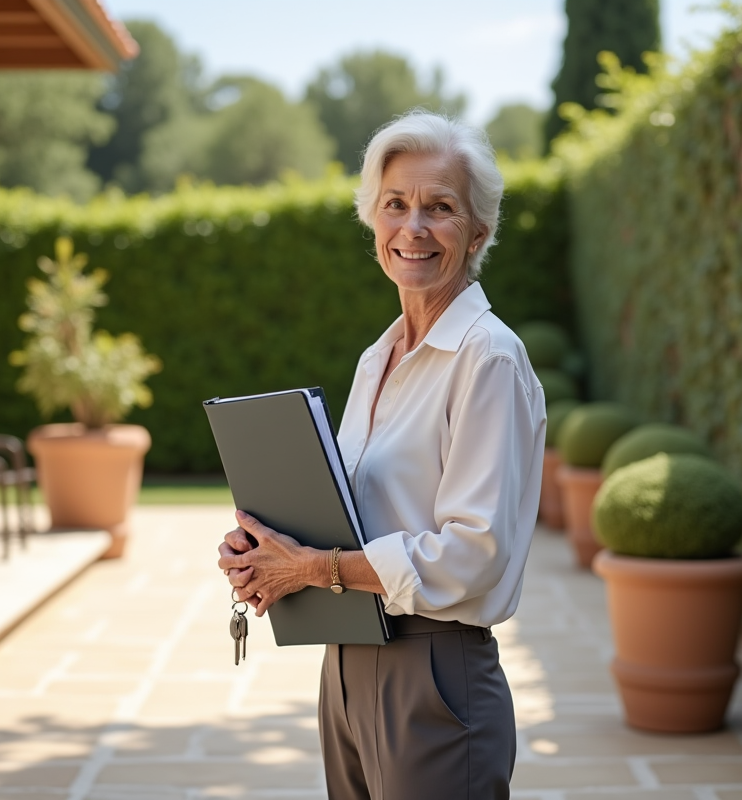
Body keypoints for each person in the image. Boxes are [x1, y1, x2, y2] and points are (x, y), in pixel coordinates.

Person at [217, 110, 547, 799]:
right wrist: (267, 554)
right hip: (347, 664)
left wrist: (313, 567)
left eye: (440, 207)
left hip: (435, 675)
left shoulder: (488, 359)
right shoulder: (379, 356)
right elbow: (355, 514)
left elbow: (472, 551)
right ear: (373, 223)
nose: (414, 227)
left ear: (478, 231)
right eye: (395, 204)